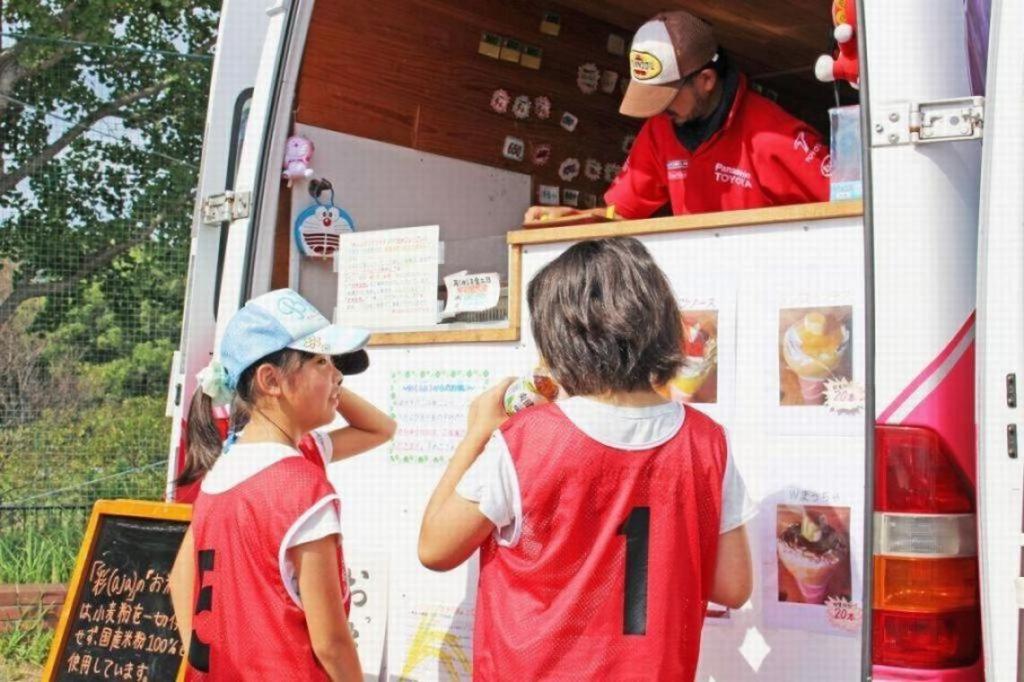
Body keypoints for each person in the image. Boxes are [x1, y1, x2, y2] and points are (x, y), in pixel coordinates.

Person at [418, 238, 756, 679]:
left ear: (559, 339)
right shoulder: (709, 442)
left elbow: (435, 549)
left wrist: (477, 432)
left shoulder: (527, 438)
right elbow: (732, 586)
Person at [168, 288, 395, 681]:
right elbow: (330, 643)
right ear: (271, 379)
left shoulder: (223, 473)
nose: (337, 374)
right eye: (322, 362)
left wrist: (326, 385)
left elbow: (178, 577)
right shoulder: (302, 487)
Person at [525, 10, 830, 223]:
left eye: (666, 96)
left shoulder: (773, 134)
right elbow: (621, 214)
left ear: (706, 80)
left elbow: (849, 210)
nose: (659, 110)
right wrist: (574, 218)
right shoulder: (660, 129)